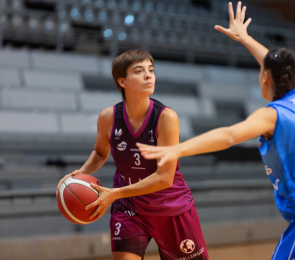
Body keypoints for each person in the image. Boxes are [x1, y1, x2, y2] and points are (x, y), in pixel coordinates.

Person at [137, 2, 295, 260]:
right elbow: (277, 67)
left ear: (265, 78)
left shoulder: (272, 114)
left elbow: (228, 136)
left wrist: (177, 149)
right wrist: (246, 39)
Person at [57, 49, 208, 260]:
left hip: (170, 207)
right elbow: (100, 153)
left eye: (151, 70)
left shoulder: (166, 118)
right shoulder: (108, 117)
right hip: (129, 208)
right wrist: (79, 175)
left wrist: (115, 193)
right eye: (139, 71)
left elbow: (165, 178)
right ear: (122, 81)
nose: (148, 75)